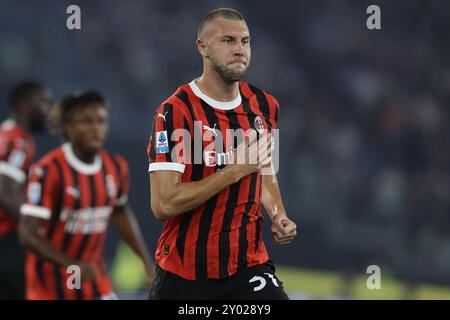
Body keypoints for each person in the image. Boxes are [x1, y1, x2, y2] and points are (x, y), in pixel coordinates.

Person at [147, 8, 297, 300]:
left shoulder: (265, 106)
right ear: (202, 47)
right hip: (185, 274)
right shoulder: (174, 112)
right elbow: (163, 204)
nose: (240, 50)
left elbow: (264, 169)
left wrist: (278, 214)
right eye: (228, 41)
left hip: (248, 266)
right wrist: (232, 171)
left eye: (245, 41)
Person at [19, 91, 154, 300]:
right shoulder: (48, 170)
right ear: (67, 126)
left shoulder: (116, 167)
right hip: (50, 288)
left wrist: (146, 262)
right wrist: (71, 264)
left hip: (94, 280)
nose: (96, 129)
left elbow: (119, 212)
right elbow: (28, 234)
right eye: (86, 121)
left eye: (101, 121)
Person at [0, 81, 52, 299]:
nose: (49, 109)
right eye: (44, 102)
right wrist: (32, 230)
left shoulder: (9, 135)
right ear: (25, 106)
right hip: (7, 240)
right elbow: (4, 190)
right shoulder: (18, 141)